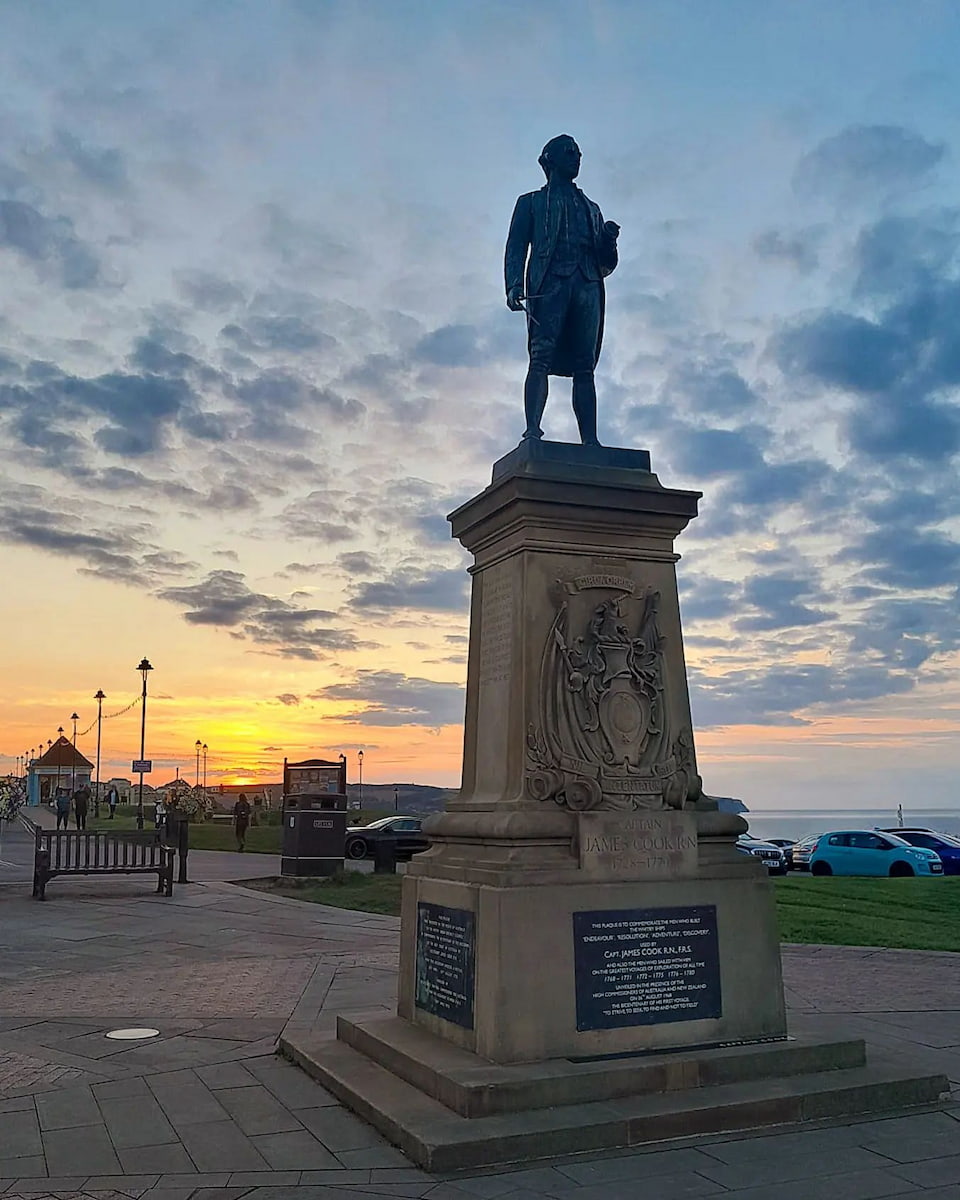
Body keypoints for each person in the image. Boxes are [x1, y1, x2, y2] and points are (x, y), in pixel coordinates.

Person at [504, 134, 620, 445]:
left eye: (579, 153)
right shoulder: (531, 203)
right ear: (549, 160)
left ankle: (590, 440)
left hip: (587, 285)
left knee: (586, 364)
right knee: (539, 356)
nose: (576, 157)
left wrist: (609, 240)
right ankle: (532, 431)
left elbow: (605, 263)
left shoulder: (591, 208)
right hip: (550, 284)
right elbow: (516, 246)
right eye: (569, 152)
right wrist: (514, 283)